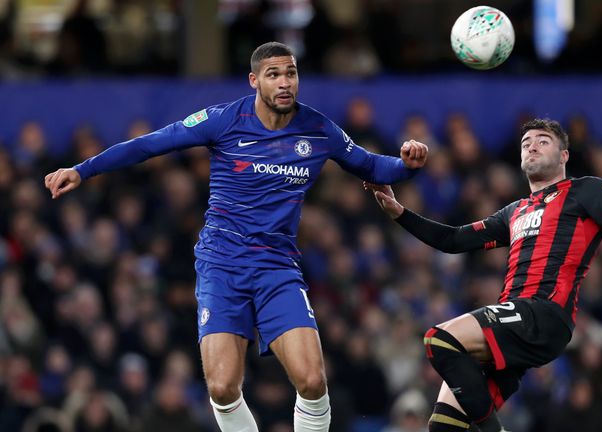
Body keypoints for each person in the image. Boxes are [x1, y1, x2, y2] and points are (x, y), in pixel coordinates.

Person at [44, 41, 428, 432]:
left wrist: (407, 164)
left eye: (291, 74)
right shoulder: (224, 120)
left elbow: (372, 166)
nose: (284, 83)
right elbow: (149, 144)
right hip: (221, 266)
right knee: (224, 387)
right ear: (254, 80)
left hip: (277, 268)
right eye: (273, 74)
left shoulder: (318, 130)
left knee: (312, 381)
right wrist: (83, 170)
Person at [365, 118, 602, 432]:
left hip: (543, 314)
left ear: (564, 155)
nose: (531, 146)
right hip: (515, 324)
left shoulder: (586, 191)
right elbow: (451, 240)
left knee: (440, 339)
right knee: (445, 427)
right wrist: (399, 212)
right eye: (526, 142)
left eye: (542, 141)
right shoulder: (514, 211)